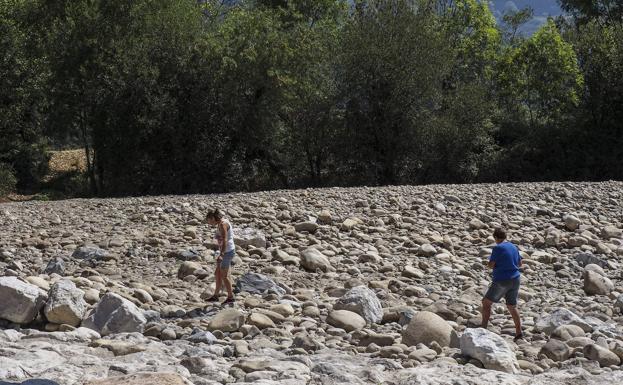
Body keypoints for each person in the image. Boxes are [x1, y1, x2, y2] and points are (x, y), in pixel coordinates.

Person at [481, 227, 523, 341]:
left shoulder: (497, 248)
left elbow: (491, 265)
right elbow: (520, 263)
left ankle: (483, 328)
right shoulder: (514, 246)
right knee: (511, 306)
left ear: (495, 237)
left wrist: (489, 264)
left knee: (486, 303)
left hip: (502, 280)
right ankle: (519, 333)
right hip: (516, 279)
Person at [205, 208, 236, 305]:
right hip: (223, 251)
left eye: (209, 221)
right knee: (217, 273)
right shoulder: (221, 223)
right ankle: (216, 295)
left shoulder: (222, 224)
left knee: (224, 275)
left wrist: (221, 255)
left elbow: (225, 240)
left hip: (227, 252)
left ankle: (230, 297)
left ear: (213, 218)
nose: (209, 223)